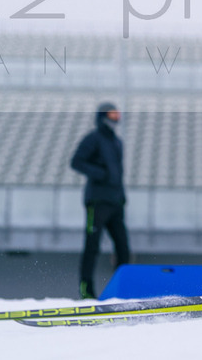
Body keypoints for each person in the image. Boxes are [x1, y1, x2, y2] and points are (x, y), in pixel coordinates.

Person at [70, 102, 131, 299]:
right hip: (97, 202)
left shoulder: (117, 142)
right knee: (92, 246)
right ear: (103, 116)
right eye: (112, 114)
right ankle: (86, 290)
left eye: (117, 114)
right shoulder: (93, 138)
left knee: (123, 247)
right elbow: (76, 162)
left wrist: (121, 196)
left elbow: (118, 173)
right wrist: (100, 174)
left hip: (115, 202)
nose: (116, 118)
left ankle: (121, 290)